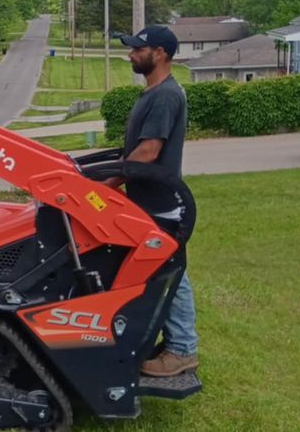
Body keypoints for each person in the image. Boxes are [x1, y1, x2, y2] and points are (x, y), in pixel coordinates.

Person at [108, 26, 198, 377]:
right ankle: (173, 341)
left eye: (137, 49)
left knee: (170, 273)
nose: (130, 54)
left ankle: (183, 349)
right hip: (148, 201)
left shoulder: (164, 96)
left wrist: (109, 183)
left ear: (158, 53)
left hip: (161, 205)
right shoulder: (154, 93)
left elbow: (148, 151)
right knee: (164, 273)